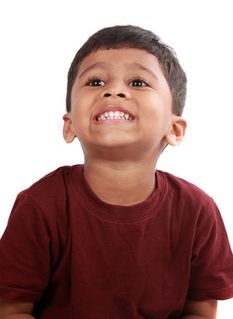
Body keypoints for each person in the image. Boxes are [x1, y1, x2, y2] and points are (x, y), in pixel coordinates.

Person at [0, 25, 232, 319]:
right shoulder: (40, 205)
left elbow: (201, 312)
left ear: (174, 129)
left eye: (138, 83)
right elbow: (11, 310)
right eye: (95, 81)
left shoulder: (198, 212)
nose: (114, 90)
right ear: (69, 124)